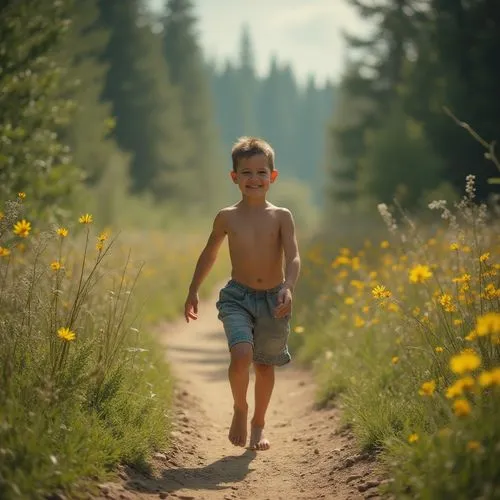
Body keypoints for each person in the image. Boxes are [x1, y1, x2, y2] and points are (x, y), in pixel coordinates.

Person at [184, 136, 301, 451]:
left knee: (264, 366)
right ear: (234, 177)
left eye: (261, 172)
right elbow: (209, 254)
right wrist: (194, 289)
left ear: (272, 177)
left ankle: (258, 424)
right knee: (241, 355)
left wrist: (288, 287)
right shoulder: (227, 217)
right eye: (246, 173)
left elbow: (293, 257)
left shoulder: (281, 216)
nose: (254, 179)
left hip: (273, 298)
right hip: (238, 297)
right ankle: (240, 407)